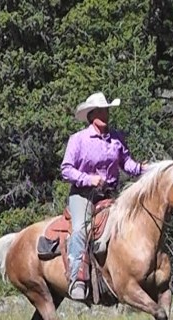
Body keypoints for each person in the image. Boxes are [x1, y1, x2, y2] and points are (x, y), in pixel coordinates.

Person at [60, 92, 149, 301]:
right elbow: (66, 169)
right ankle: (77, 278)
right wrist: (88, 179)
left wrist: (142, 168)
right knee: (81, 229)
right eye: (100, 111)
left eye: (106, 110)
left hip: (109, 194)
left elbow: (126, 163)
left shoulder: (116, 138)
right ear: (91, 115)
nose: (105, 114)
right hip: (83, 195)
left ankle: (122, 275)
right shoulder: (78, 139)